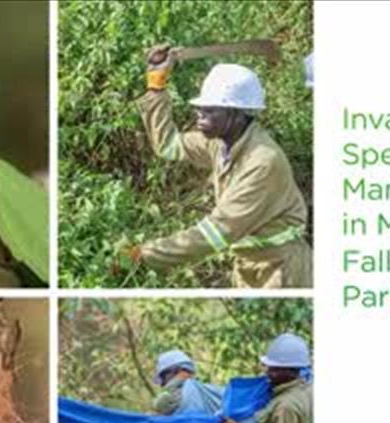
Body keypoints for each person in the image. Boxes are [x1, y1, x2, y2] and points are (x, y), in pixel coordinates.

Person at [122, 46, 312, 288]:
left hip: (282, 268)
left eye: (210, 110)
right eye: (200, 108)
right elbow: (168, 146)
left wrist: (142, 256)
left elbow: (215, 234)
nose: (200, 114)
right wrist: (156, 83)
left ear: (237, 114)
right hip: (247, 263)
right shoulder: (219, 142)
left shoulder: (263, 162)